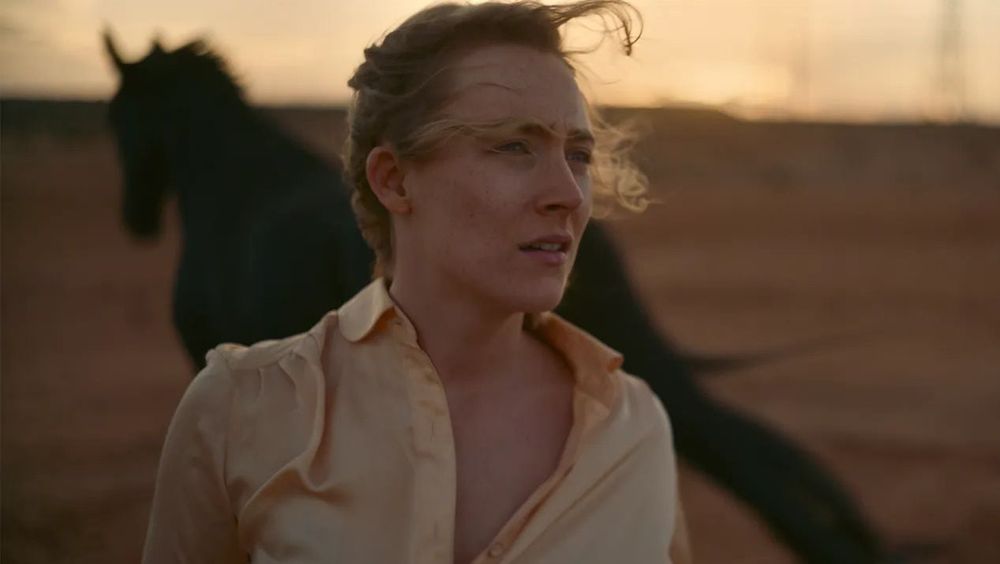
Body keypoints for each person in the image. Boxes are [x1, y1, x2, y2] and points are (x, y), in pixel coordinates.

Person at [141, 1, 691, 562]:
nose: (569, 194)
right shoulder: (239, 411)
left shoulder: (634, 428)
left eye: (578, 155)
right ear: (395, 180)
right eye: (513, 146)